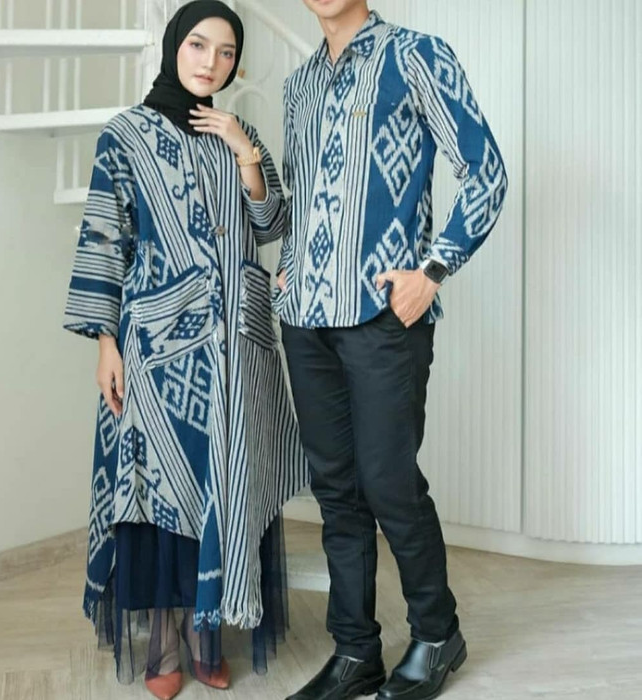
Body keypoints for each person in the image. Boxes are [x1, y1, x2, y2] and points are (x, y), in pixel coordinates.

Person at [63, 2, 308, 699]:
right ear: (175, 46)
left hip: (237, 351)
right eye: (199, 45)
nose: (210, 62)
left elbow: (273, 223)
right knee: (162, 489)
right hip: (156, 348)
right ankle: (166, 644)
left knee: (225, 481)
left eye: (226, 52)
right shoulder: (125, 135)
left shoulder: (237, 133)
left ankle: (209, 635)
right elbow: (106, 238)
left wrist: (246, 152)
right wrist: (105, 343)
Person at [275, 1, 508, 699]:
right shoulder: (298, 84)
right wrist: (289, 265)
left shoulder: (416, 55)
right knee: (337, 491)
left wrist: (431, 270)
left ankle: (438, 635)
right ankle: (356, 652)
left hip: (383, 317)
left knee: (389, 484)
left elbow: (486, 170)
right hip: (305, 318)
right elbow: (303, 194)